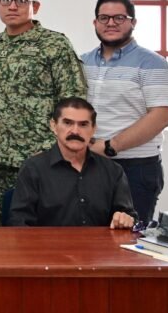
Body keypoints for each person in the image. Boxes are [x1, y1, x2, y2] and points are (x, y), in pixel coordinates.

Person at [0, 0, 87, 226]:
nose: (12, 6)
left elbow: (73, 100)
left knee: (42, 231)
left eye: (21, 0)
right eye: (6, 0)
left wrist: (56, 148)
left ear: (34, 6)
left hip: (41, 159)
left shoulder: (54, 45)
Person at [81, 0, 168, 224]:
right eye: (104, 18)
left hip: (135, 168)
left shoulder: (153, 63)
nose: (111, 23)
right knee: (89, 234)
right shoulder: (83, 62)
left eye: (119, 18)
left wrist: (111, 146)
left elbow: (161, 117)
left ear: (133, 22)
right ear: (95, 22)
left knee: (129, 236)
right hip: (89, 163)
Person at [8, 97, 136, 228]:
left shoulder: (113, 171)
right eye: (68, 123)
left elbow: (129, 219)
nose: (75, 131)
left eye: (83, 124)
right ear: (54, 126)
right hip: (47, 242)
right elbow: (19, 223)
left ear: (93, 129)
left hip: (100, 242)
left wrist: (125, 219)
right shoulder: (33, 169)